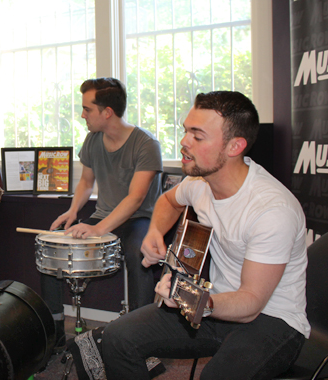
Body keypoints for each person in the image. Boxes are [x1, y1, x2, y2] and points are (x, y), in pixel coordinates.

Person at [101, 91, 310, 379]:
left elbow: (250, 303)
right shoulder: (199, 182)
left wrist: (191, 299)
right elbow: (168, 201)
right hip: (215, 305)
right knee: (116, 337)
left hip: (272, 319)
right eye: (186, 131)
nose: (184, 142)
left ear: (235, 146)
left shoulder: (272, 210)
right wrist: (155, 232)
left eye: (197, 136)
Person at [43, 77, 163, 349]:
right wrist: (73, 211)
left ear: (107, 112)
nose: (82, 114)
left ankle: (141, 338)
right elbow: (86, 182)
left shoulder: (146, 144)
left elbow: (136, 198)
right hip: (105, 216)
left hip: (139, 219)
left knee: (138, 253)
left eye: (87, 109)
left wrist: (99, 229)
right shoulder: (93, 139)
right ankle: (55, 333)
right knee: (53, 246)